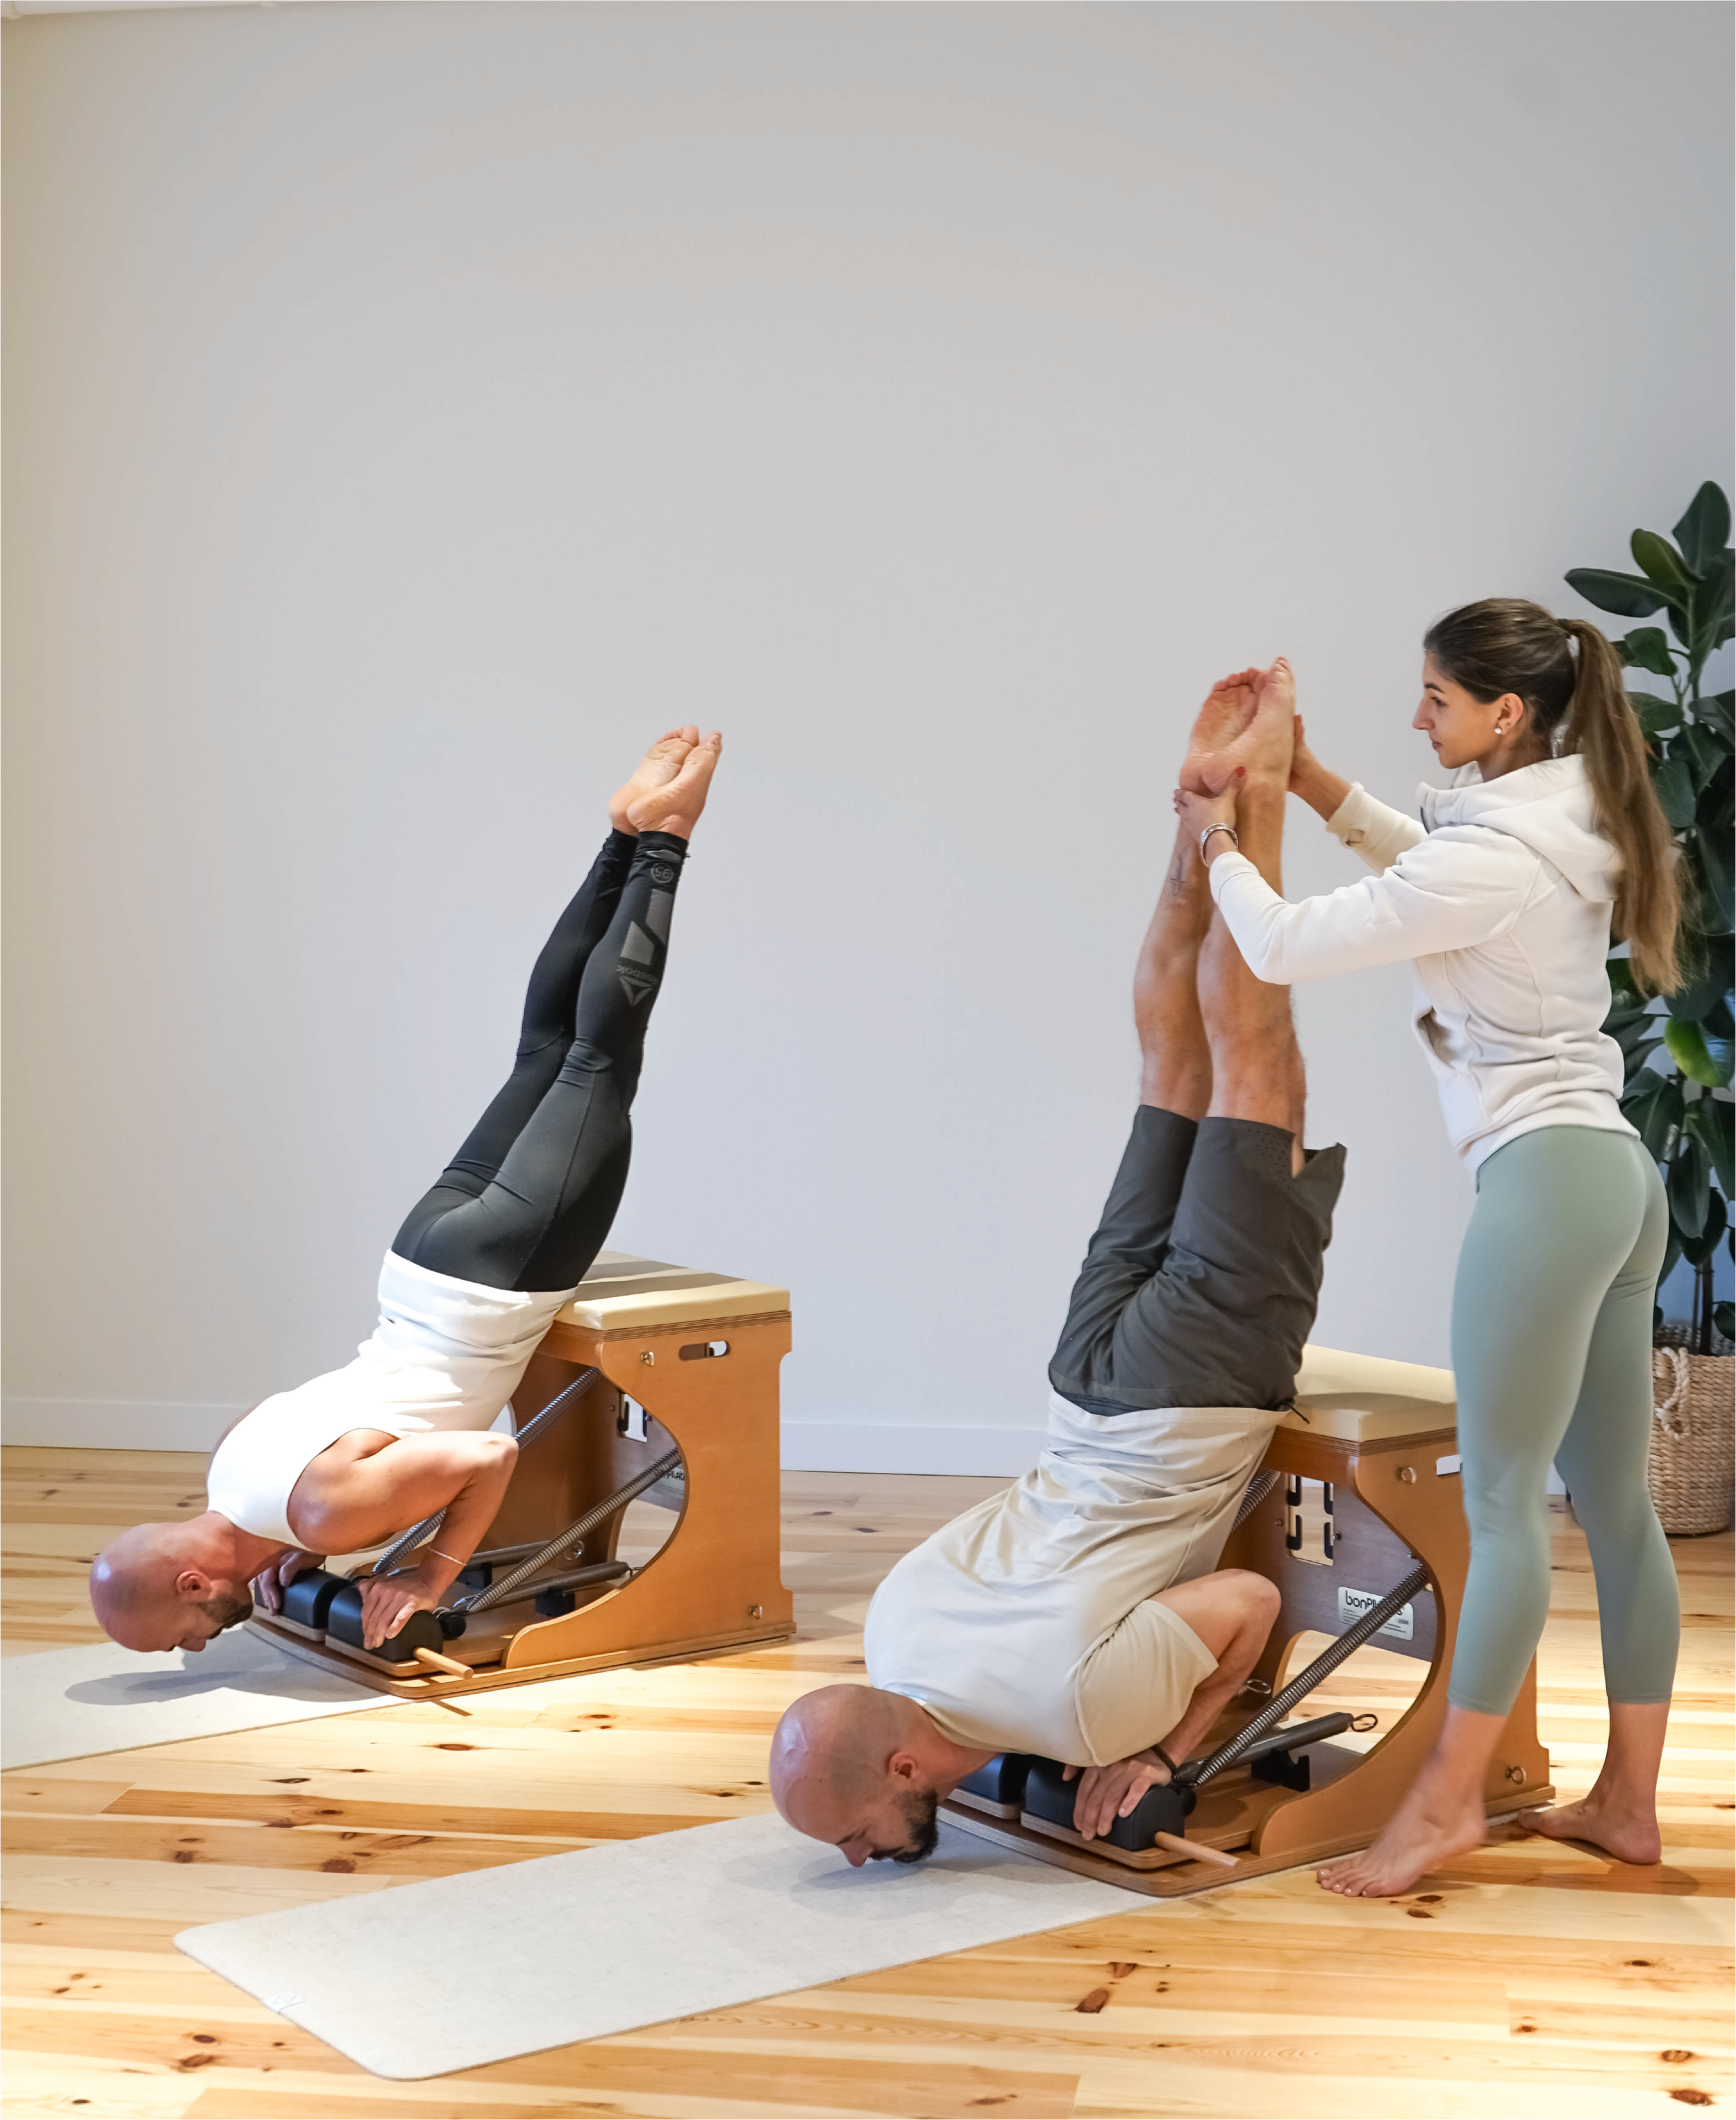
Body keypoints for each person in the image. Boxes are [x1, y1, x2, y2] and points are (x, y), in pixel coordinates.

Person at [769, 671, 1345, 1867]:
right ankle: (1195, 841)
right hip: (1082, 1386)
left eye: (858, 1832)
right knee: (1168, 1080)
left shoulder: (1078, 1714)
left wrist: (1167, 1750)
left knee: (1254, 1072)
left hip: (1187, 1399)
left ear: (902, 1768)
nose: (864, 1852)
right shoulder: (893, 1634)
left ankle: (1262, 796)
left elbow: (1244, 1608)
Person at [1175, 603, 1681, 1897]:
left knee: (1503, 1504)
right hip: (1615, 1179)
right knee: (1616, 1514)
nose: (1423, 720)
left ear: (1505, 715)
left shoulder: (1497, 855)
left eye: (1439, 701)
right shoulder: (1558, 820)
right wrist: (1312, 770)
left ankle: (1444, 1809)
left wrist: (1220, 835)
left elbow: (1283, 941)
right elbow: (1428, 866)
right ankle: (1628, 1808)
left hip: (1545, 1187)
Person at [89, 728, 724, 1656]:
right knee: (544, 1054)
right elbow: (339, 1452)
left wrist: (428, 1566)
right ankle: (623, 836)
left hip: (497, 1277)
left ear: (196, 1579)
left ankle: (662, 841)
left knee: (595, 1064)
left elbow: (487, 1453)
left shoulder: (322, 1513)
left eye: (184, 1629)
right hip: (422, 1258)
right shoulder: (232, 1465)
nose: (194, 1644)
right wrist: (300, 1546)